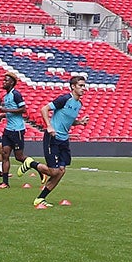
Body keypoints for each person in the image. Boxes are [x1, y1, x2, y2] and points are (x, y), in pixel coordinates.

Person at [32, 74, 88, 209]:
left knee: (61, 171)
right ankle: (31, 163)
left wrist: (79, 122)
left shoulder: (78, 104)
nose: (83, 88)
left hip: (64, 140)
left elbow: (68, 120)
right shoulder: (64, 99)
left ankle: (40, 199)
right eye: (80, 86)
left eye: (84, 86)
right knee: (53, 171)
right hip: (53, 138)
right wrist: (49, 126)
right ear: (73, 87)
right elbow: (44, 109)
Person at [0, 73, 28, 189]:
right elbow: (11, 112)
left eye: (6, 81)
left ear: (12, 82)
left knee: (19, 157)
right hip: (8, 130)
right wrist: (4, 115)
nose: (3, 82)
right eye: (4, 80)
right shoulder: (6, 96)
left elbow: (23, 110)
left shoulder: (16, 94)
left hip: (17, 130)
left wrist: (6, 110)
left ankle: (40, 169)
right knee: (5, 155)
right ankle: (5, 183)